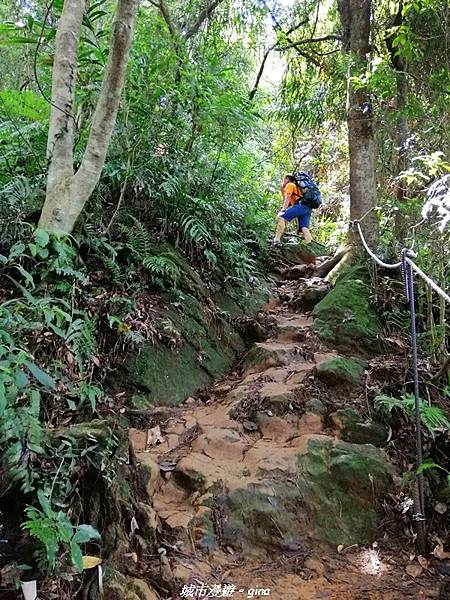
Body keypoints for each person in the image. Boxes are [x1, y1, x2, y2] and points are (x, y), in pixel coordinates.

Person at [273, 175, 312, 244]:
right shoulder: (297, 188)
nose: (282, 182)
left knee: (281, 217)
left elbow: (287, 198)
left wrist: (283, 210)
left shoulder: (290, 185)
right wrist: (282, 190)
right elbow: (289, 203)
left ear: (287, 179)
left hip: (300, 205)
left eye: (283, 179)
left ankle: (276, 240)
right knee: (304, 227)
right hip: (307, 207)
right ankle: (309, 244)